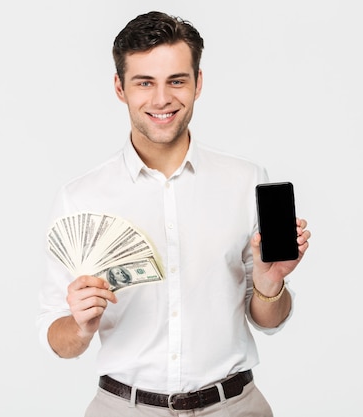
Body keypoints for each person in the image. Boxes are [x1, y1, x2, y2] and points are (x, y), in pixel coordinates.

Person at [37, 11, 311, 416]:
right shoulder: (81, 197)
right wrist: (80, 325)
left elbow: (269, 321)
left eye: (176, 81)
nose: (162, 99)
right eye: (144, 82)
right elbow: (57, 338)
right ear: (120, 87)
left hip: (235, 406)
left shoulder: (245, 180)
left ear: (198, 83)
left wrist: (270, 285)